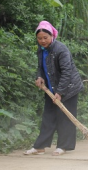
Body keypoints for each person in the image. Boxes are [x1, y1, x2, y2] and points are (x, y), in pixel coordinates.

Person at [24, 21, 84, 156]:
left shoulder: (61, 50)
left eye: (45, 38)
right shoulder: (41, 49)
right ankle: (40, 147)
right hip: (51, 88)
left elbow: (67, 72)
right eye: (39, 38)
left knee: (65, 117)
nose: (42, 41)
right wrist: (39, 77)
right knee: (48, 116)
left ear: (52, 36)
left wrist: (60, 92)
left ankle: (63, 146)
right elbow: (40, 66)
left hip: (68, 88)